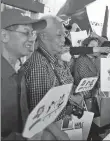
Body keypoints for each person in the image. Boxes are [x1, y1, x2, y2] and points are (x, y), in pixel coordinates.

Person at [1, 9, 68, 140]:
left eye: (32, 33)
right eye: (26, 33)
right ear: (4, 36)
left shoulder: (17, 74)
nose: (32, 38)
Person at [21, 15, 82, 132]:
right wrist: (61, 137)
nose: (64, 40)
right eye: (59, 35)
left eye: (64, 35)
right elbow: (40, 118)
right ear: (43, 36)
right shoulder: (39, 64)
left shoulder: (49, 60)